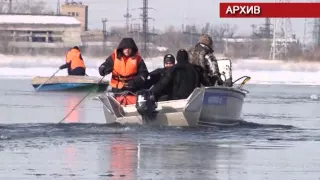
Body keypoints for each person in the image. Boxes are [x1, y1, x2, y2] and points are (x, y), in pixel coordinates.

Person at [98, 38, 149, 105]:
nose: (127, 50)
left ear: (132, 49)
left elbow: (144, 73)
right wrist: (103, 69)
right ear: (121, 49)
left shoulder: (138, 59)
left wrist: (135, 82)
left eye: (129, 48)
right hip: (117, 89)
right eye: (125, 48)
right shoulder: (114, 57)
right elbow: (106, 64)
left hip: (133, 88)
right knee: (117, 100)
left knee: (134, 100)